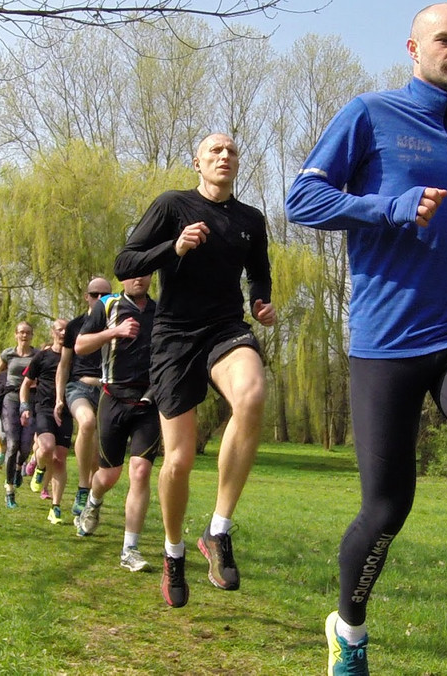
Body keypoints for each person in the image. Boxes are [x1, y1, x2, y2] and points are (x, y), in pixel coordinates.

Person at [284, 5, 447, 675]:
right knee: (387, 508)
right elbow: (301, 200)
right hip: (387, 340)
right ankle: (351, 628)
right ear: (414, 49)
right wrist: (385, 210)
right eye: (446, 40)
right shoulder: (368, 115)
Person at [114, 132, 275, 608]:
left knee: (251, 394)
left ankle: (218, 530)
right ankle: (173, 552)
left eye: (231, 151)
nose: (224, 156)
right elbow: (126, 261)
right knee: (179, 461)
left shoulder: (250, 220)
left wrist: (261, 301)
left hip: (226, 327)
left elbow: (259, 272)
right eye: (214, 152)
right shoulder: (173, 206)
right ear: (198, 163)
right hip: (173, 336)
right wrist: (174, 249)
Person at [73, 274, 160, 574]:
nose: (139, 278)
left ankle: (129, 549)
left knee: (141, 471)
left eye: (145, 272)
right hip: (112, 399)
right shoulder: (107, 307)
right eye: (133, 273)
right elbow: (81, 345)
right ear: (123, 277)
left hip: (148, 402)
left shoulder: (159, 311)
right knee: (109, 475)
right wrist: (115, 332)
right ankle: (94, 501)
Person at [57, 277, 114, 523]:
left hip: (107, 390)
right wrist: (58, 398)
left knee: (96, 459)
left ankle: (90, 507)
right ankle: (82, 488)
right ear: (86, 296)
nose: (100, 298)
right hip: (78, 386)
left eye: (106, 294)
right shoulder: (75, 326)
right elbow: (64, 364)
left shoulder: (117, 324)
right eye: (95, 294)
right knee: (87, 423)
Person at [20, 319, 72, 525]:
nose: (63, 333)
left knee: (59, 458)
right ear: (53, 332)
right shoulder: (42, 356)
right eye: (60, 329)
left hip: (66, 411)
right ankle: (39, 466)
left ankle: (56, 507)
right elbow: (26, 385)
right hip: (43, 408)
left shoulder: (74, 356)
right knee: (47, 447)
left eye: (67, 330)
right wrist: (24, 407)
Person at [0, 322, 38, 508]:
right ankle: (9, 489)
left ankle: (19, 468)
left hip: (30, 400)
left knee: (26, 446)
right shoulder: (8, 354)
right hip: (10, 398)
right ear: (16, 335)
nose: (24, 335)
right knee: (12, 443)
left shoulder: (37, 355)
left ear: (32, 335)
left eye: (28, 333)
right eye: (21, 332)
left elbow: (42, 375)